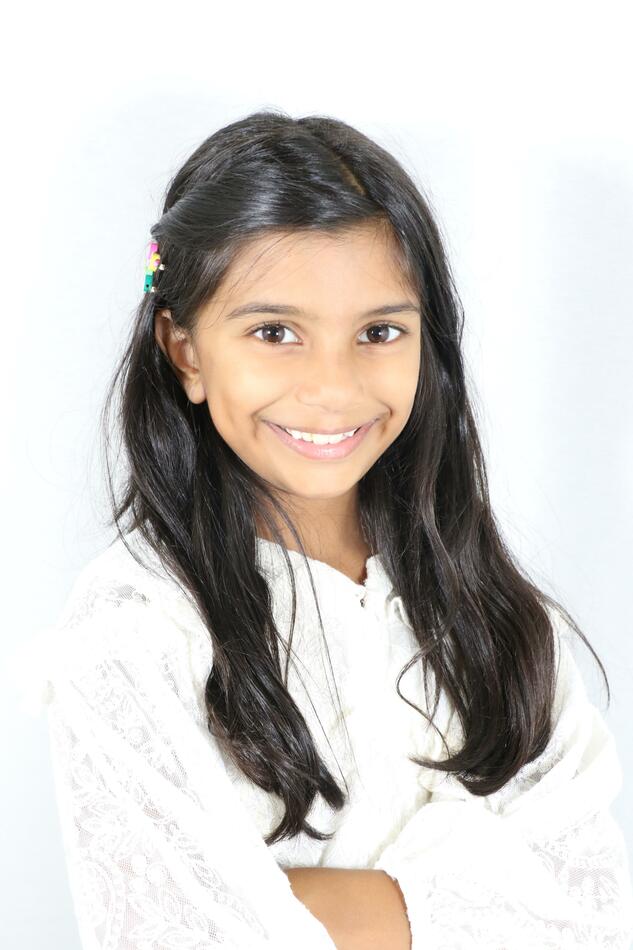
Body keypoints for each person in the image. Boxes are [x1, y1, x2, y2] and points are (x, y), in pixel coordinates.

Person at [13, 109, 633, 948]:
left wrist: (287, 899)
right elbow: (180, 935)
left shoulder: (499, 619)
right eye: (275, 333)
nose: (332, 388)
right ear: (186, 352)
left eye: (379, 332)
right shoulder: (136, 629)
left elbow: (593, 912)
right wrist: (480, 886)